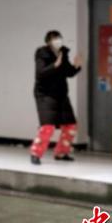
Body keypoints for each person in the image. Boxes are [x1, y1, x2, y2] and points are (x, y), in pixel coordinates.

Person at [30, 30, 82, 165]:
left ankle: (61, 152)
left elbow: (68, 72)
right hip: (45, 95)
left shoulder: (63, 53)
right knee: (48, 127)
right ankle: (35, 153)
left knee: (71, 126)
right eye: (54, 38)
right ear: (48, 41)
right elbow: (40, 73)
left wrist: (76, 66)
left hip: (61, 94)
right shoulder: (42, 53)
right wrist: (54, 65)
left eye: (59, 37)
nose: (58, 40)